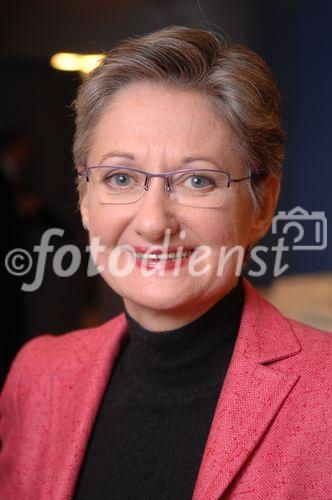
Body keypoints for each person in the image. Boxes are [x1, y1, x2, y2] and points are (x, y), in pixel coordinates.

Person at [0, 25, 331, 500]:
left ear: (262, 205)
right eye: (119, 177)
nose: (154, 223)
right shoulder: (38, 377)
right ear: (85, 198)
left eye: (198, 181)